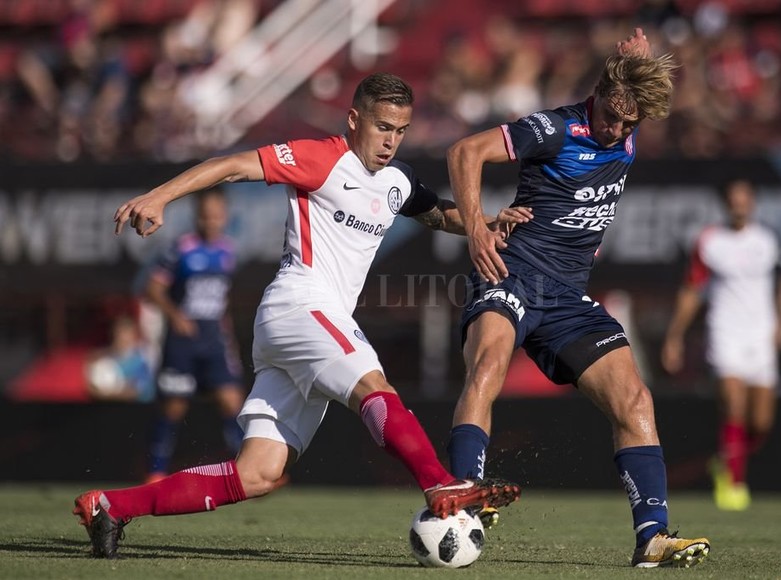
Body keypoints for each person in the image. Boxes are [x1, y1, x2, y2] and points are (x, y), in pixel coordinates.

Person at [72, 72, 522, 559]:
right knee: (376, 388)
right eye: (382, 126)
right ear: (354, 119)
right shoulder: (322, 158)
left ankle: (109, 507)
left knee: (257, 474)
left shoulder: (397, 181)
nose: (391, 140)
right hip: (301, 303)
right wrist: (160, 196)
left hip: (302, 327)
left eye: (401, 130)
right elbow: (232, 166)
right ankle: (440, 485)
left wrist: (486, 224)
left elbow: (437, 213)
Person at [443, 28, 710, 568]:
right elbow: (465, 151)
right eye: (611, 117)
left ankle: (652, 538)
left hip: (567, 297)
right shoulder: (557, 128)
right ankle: (462, 498)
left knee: (635, 400)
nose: (616, 131)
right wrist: (475, 227)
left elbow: (641, 87)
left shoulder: (629, 117)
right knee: (488, 366)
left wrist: (634, 61)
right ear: (599, 94)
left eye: (628, 123)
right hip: (512, 272)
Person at [661, 179, 781, 511]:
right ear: (725, 204)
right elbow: (691, 290)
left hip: (760, 335)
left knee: (761, 423)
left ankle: (725, 461)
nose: (739, 205)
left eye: (744, 198)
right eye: (733, 199)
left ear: (752, 202)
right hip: (725, 332)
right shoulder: (710, 241)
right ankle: (734, 484)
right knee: (732, 405)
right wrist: (674, 336)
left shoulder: (769, 239)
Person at [142, 187, 246, 483]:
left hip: (214, 338)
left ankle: (244, 471)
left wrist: (228, 336)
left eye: (216, 215)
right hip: (183, 341)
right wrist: (176, 316)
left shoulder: (228, 252)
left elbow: (221, 301)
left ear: (225, 217)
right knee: (173, 406)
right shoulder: (180, 249)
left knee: (231, 400)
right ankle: (155, 470)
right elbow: (152, 289)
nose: (211, 221)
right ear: (196, 216)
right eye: (205, 215)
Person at [84, 315, 154, 402]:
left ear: (134, 336)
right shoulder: (100, 357)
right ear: (114, 334)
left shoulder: (141, 362)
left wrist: (106, 395)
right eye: (120, 333)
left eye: (127, 334)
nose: (123, 338)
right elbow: (91, 387)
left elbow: (135, 392)